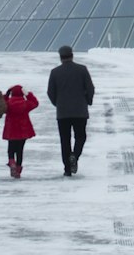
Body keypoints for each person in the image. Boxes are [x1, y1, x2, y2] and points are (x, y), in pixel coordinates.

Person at [47, 44, 94, 176]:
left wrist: (58, 104)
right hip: (80, 111)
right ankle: (75, 155)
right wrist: (87, 101)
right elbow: (90, 88)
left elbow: (50, 92)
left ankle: (67, 169)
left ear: (60, 57)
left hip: (63, 113)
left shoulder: (55, 72)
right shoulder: (82, 70)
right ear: (72, 55)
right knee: (81, 136)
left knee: (65, 139)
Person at [2, 84, 39, 178]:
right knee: (20, 150)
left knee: (11, 148)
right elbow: (35, 103)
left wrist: (6, 94)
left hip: (11, 129)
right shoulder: (25, 103)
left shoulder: (8, 103)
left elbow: (1, 104)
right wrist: (28, 94)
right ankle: (18, 169)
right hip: (23, 130)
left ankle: (11, 162)